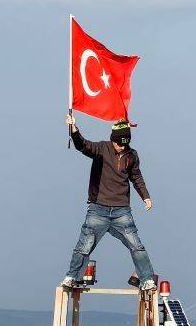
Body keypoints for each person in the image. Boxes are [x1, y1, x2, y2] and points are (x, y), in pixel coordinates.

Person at [61, 114, 156, 290]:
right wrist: (74, 129)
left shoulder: (131, 155)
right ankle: (71, 277)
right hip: (98, 209)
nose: (121, 147)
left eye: (125, 144)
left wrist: (146, 196)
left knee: (136, 246)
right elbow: (83, 145)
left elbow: (136, 177)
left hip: (122, 211)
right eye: (119, 143)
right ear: (112, 139)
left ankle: (147, 279)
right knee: (84, 245)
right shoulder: (102, 148)